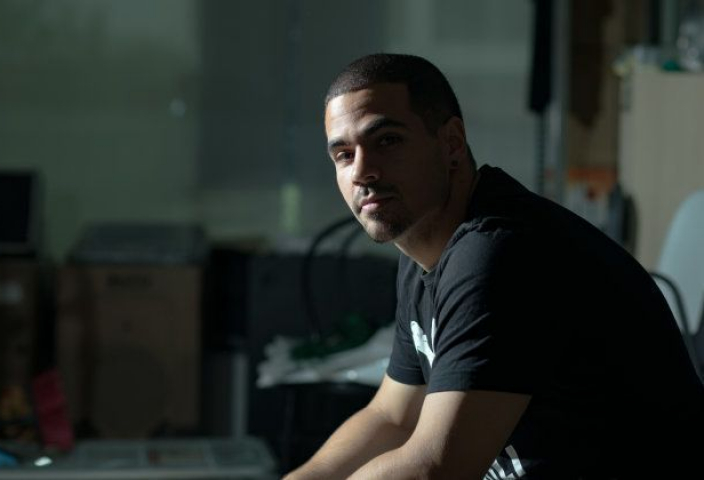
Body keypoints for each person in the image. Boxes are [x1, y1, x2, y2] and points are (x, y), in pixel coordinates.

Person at [284, 53, 704, 479]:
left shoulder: (500, 253)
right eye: (343, 154)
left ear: (451, 142)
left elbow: (435, 468)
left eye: (387, 141)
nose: (362, 171)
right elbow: (393, 417)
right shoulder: (424, 252)